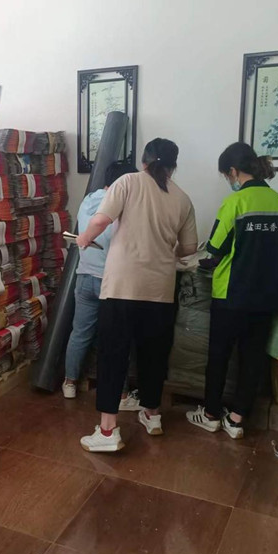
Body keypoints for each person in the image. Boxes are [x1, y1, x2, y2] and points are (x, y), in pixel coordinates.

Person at [77, 139, 198, 452]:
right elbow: (188, 248)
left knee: (113, 355)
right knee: (153, 355)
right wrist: (164, 249)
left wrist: (84, 237)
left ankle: (107, 432)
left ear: (144, 160)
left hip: (122, 286)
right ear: (173, 166)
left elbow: (101, 220)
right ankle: (152, 415)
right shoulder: (183, 198)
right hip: (160, 290)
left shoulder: (127, 182)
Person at [186, 142, 278, 439]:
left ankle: (211, 414)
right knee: (253, 358)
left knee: (219, 356)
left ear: (233, 171)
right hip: (266, 295)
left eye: (226, 175)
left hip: (231, 294)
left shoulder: (235, 203)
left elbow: (216, 248)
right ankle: (237, 419)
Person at [62, 161, 140, 409]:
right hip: (111, 282)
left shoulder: (88, 200)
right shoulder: (121, 204)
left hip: (84, 277)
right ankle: (122, 394)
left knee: (80, 333)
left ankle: (70, 382)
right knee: (117, 338)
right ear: (124, 183)